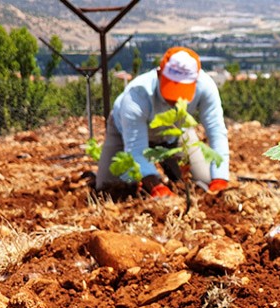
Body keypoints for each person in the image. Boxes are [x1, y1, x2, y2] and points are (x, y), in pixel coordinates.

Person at [96, 46, 230, 197]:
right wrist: (156, 186)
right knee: (107, 188)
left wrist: (220, 178)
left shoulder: (206, 87)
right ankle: (142, 180)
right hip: (125, 134)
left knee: (205, 182)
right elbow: (136, 148)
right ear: (159, 73)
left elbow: (216, 131)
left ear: (196, 80)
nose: (175, 100)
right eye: (172, 90)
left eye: (183, 92)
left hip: (175, 134)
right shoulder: (137, 95)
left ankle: (171, 170)